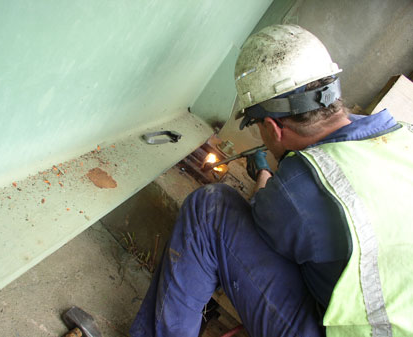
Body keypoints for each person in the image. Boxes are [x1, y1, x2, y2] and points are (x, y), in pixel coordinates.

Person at [130, 24, 413, 337]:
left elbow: (270, 215)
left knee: (209, 208)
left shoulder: (299, 188)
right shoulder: (400, 135)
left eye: (257, 128)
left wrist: (265, 173)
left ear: (272, 128)